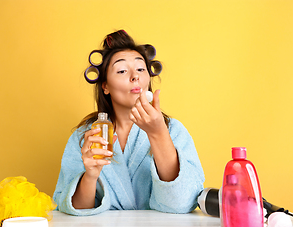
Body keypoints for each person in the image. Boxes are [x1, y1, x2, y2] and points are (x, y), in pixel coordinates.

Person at [53, 30, 205, 216]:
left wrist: (158, 134)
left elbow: (184, 202)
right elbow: (75, 212)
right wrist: (90, 176)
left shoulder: (172, 130)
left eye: (141, 69)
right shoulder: (86, 135)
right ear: (105, 86)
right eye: (122, 71)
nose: (135, 76)